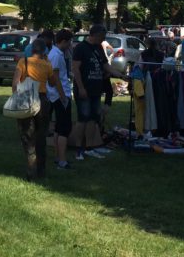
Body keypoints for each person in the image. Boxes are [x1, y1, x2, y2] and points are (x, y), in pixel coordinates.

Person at [12, 38, 64, 180]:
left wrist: (16, 98)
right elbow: (53, 83)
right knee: (41, 137)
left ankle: (30, 170)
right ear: (44, 51)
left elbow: (15, 84)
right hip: (42, 101)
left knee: (27, 136)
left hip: (26, 100)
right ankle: (41, 171)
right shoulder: (47, 64)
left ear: (32, 49)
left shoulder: (23, 62)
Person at [71, 24, 123, 161]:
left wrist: (121, 75)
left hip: (96, 90)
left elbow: (106, 66)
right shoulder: (80, 48)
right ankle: (78, 149)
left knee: (93, 119)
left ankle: (89, 147)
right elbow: (75, 69)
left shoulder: (99, 48)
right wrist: (81, 88)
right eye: (102, 36)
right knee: (83, 119)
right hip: (84, 90)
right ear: (94, 35)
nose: (104, 39)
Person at [47, 29, 74, 169]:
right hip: (60, 96)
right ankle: (62, 161)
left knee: (58, 128)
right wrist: (63, 97)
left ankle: (58, 157)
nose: (70, 45)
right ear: (63, 41)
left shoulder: (55, 53)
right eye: (69, 42)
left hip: (56, 95)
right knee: (64, 129)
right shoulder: (56, 55)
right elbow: (56, 78)